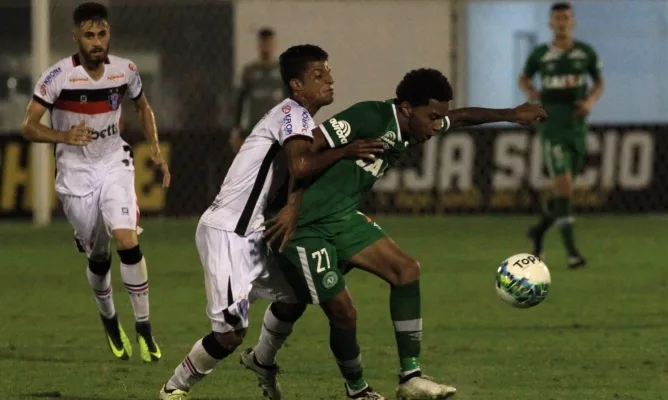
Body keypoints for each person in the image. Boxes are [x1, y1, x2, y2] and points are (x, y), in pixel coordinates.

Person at [240, 68, 547, 400]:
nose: (436, 125)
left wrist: (512, 115)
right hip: (302, 226)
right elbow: (302, 151)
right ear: (405, 109)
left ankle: (410, 377)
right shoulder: (368, 116)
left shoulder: (414, 127)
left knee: (405, 270)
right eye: (431, 117)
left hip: (342, 219)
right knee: (339, 310)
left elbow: (458, 118)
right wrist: (287, 203)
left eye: (438, 117)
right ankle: (357, 391)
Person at [158, 44, 384, 400]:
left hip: (257, 233)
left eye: (329, 72)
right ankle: (174, 388)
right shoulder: (293, 115)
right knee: (230, 335)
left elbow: (298, 176)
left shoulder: (301, 120)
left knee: (297, 295)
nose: (330, 79)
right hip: (229, 232)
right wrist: (347, 150)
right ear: (297, 85)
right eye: (319, 75)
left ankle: (262, 361)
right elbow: (300, 167)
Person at [21, 2, 169, 363]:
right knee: (98, 256)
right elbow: (28, 126)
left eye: (102, 34)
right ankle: (109, 320)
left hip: (113, 163)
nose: (96, 42)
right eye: (89, 35)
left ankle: (145, 327)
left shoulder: (124, 71)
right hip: (74, 176)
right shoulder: (57, 77)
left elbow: (142, 106)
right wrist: (63, 137)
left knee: (126, 237)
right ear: (76, 37)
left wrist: (154, 148)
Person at [518, 1, 604, 268]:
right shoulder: (541, 54)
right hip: (552, 125)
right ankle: (572, 253)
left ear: (573, 22)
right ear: (550, 23)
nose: (562, 22)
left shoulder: (585, 53)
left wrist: (589, 102)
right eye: (557, 18)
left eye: (566, 17)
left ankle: (540, 230)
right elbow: (524, 78)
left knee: (565, 193)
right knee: (564, 185)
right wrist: (531, 93)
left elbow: (599, 82)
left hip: (577, 127)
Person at [230, 27, 287, 154]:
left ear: (274, 44)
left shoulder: (282, 71)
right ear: (258, 45)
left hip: (278, 129)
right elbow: (240, 101)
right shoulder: (250, 71)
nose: (266, 46)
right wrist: (236, 130)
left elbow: (292, 100)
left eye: (269, 43)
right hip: (256, 128)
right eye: (263, 43)